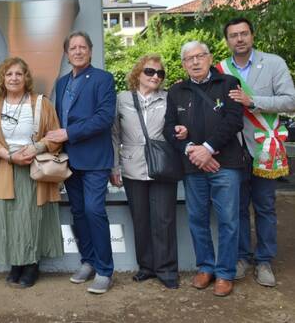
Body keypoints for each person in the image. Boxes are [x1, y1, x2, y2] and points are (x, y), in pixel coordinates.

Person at [217, 17, 295, 287]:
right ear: (226, 41)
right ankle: (241, 257)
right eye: (233, 35)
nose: (239, 39)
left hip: (264, 148)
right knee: (236, 208)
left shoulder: (274, 63)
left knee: (265, 207)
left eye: (244, 34)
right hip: (233, 151)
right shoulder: (221, 70)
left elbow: (290, 100)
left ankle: (264, 261)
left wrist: (253, 101)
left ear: (252, 35)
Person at [164, 41, 244, 297]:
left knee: (228, 220)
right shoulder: (176, 91)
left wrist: (207, 148)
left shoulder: (228, 84)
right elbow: (169, 128)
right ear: (183, 64)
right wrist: (190, 148)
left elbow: (233, 121)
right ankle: (206, 267)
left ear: (210, 58)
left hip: (225, 164)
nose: (195, 62)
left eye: (200, 56)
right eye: (189, 58)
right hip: (192, 166)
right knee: (197, 219)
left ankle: (225, 273)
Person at [0, 57, 63, 288]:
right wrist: (10, 156)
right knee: (9, 218)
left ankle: (31, 265)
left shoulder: (41, 103)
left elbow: (55, 135)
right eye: (9, 74)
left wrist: (35, 149)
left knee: (32, 218)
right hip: (5, 168)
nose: (14, 78)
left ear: (26, 78)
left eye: (18, 74)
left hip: (34, 168)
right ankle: (15, 264)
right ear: (2, 79)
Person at [47, 31, 116, 294]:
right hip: (70, 160)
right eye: (73, 47)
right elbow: (59, 119)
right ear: (67, 53)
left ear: (90, 50)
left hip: (96, 160)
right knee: (78, 212)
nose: (77, 51)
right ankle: (87, 261)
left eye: (82, 47)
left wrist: (69, 133)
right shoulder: (62, 82)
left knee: (94, 210)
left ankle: (105, 270)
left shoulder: (103, 79)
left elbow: (104, 118)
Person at [110, 54, 181, 289]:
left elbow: (175, 127)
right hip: (132, 165)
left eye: (160, 73)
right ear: (138, 73)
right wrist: (115, 166)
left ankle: (167, 269)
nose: (155, 77)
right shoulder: (122, 99)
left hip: (162, 164)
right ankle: (147, 267)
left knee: (164, 219)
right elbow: (114, 135)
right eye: (150, 71)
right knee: (140, 219)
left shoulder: (169, 98)